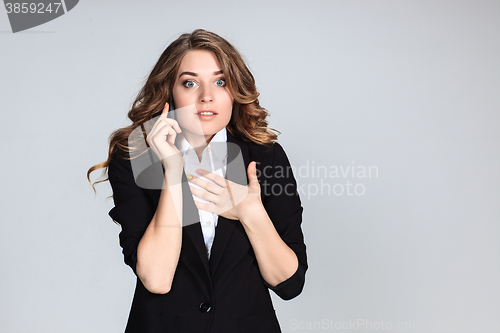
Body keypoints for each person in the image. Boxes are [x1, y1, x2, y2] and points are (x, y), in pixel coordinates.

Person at [87, 29, 307, 333]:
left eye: (221, 81)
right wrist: (173, 169)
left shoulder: (267, 156)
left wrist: (250, 211)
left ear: (234, 91)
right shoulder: (135, 157)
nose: (206, 96)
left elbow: (289, 283)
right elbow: (157, 279)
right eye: (190, 83)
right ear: (169, 92)